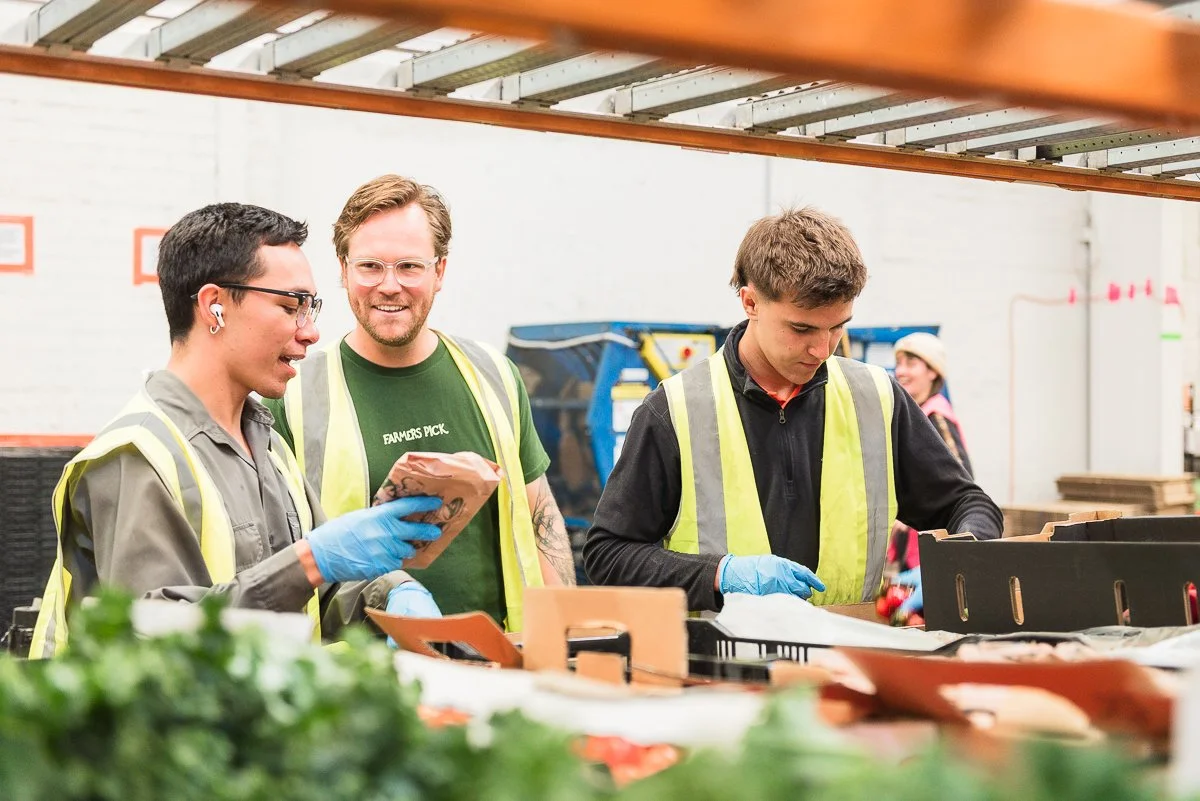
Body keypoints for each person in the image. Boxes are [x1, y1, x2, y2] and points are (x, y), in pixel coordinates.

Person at [30, 203, 444, 659]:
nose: (310, 332)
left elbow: (317, 594)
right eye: (291, 306)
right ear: (214, 307)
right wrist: (308, 561)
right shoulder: (138, 456)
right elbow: (155, 645)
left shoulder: (268, 445)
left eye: (310, 308)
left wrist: (385, 596)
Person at [583, 207, 1002, 613]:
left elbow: (969, 504)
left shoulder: (876, 398)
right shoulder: (675, 411)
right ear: (750, 302)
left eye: (838, 326)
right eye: (801, 328)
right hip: (722, 670)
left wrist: (956, 564)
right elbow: (609, 554)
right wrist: (718, 575)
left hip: (851, 660)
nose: (822, 349)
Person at [265, 175, 574, 634]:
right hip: (357, 679)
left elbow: (539, 515)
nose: (389, 286)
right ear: (344, 269)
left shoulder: (494, 374)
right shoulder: (291, 394)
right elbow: (277, 554)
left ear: (440, 271)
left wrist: (561, 641)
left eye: (409, 266)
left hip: (494, 665)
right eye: (370, 266)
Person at [888, 332, 972, 578]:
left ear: (933, 372)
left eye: (911, 364)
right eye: (899, 363)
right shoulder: (915, 414)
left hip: (931, 547)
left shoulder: (937, 417)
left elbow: (960, 481)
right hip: (913, 546)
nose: (900, 371)